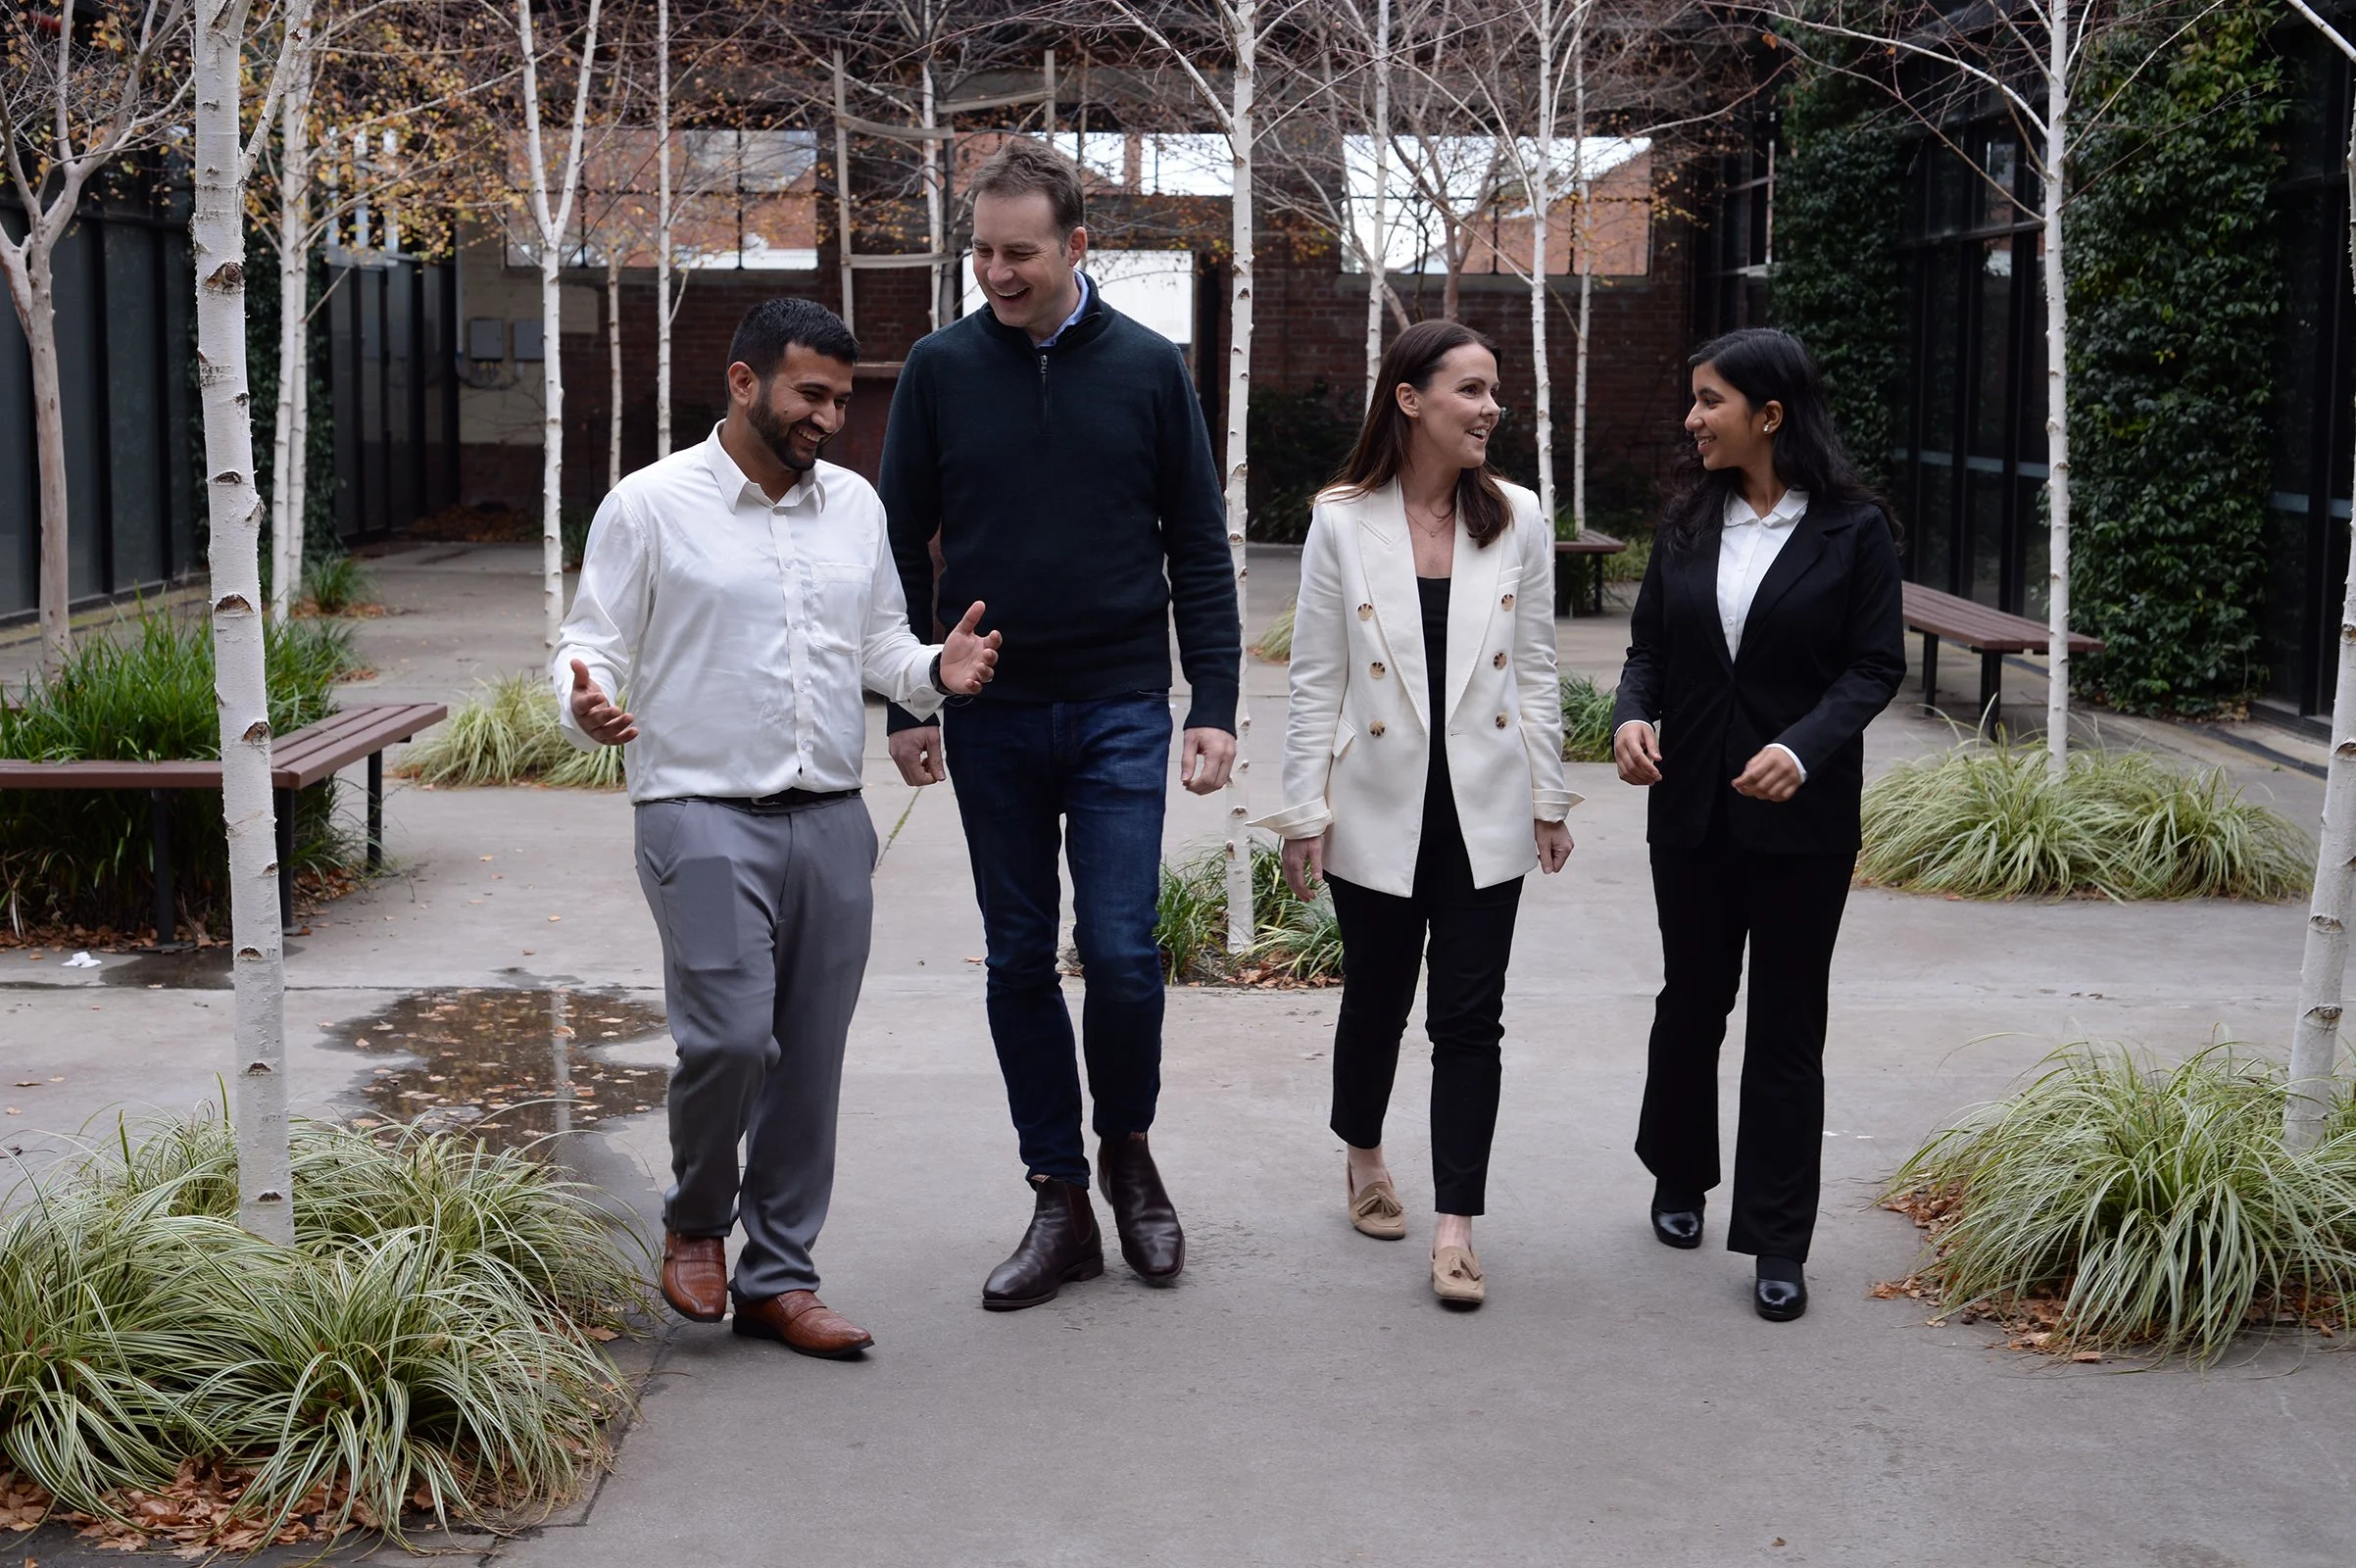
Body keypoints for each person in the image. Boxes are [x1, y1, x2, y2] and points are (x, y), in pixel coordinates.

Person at [556, 296, 1001, 1358]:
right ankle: (698, 1217)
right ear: (745, 380)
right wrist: (584, 700)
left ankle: (781, 1276)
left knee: (808, 1057)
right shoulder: (650, 504)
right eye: (812, 393)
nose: (830, 418)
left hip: (831, 820)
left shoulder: (852, 508)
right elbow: (593, 639)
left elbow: (882, 646)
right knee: (728, 1037)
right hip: (698, 809)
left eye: (843, 400)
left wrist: (935, 674)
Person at [878, 137, 1242, 1311]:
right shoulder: (939, 369)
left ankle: (1127, 1154)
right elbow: (894, 544)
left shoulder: (1148, 368)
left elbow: (1196, 544)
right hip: (991, 713)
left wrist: (1216, 705)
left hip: (1121, 707)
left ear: (1077, 246)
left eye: (1018, 252)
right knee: (1018, 957)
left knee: (1127, 955)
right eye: (981, 250)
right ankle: (1057, 1196)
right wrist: (910, 693)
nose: (996, 271)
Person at [1256, 319, 1578, 1307]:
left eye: (1494, 393)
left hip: (1484, 805)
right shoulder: (1342, 521)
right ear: (1410, 400)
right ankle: (1362, 1153)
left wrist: (1550, 796)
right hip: (1379, 802)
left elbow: (1534, 670)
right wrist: (1302, 809)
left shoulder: (1516, 516)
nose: (1491, 409)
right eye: (1471, 391)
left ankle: (1455, 1227)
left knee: (1469, 1019)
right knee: (1377, 1000)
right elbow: (1316, 677)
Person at [1609, 327, 1905, 1323]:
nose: (1691, 419)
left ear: (1768, 416)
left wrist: (1807, 743)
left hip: (1803, 823)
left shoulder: (1853, 530)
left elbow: (1873, 665)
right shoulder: (1690, 521)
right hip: (1687, 806)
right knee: (1690, 1000)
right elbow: (1649, 646)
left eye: (1708, 401)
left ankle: (1779, 1237)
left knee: (1787, 1025)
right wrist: (1630, 718)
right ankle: (1678, 1172)